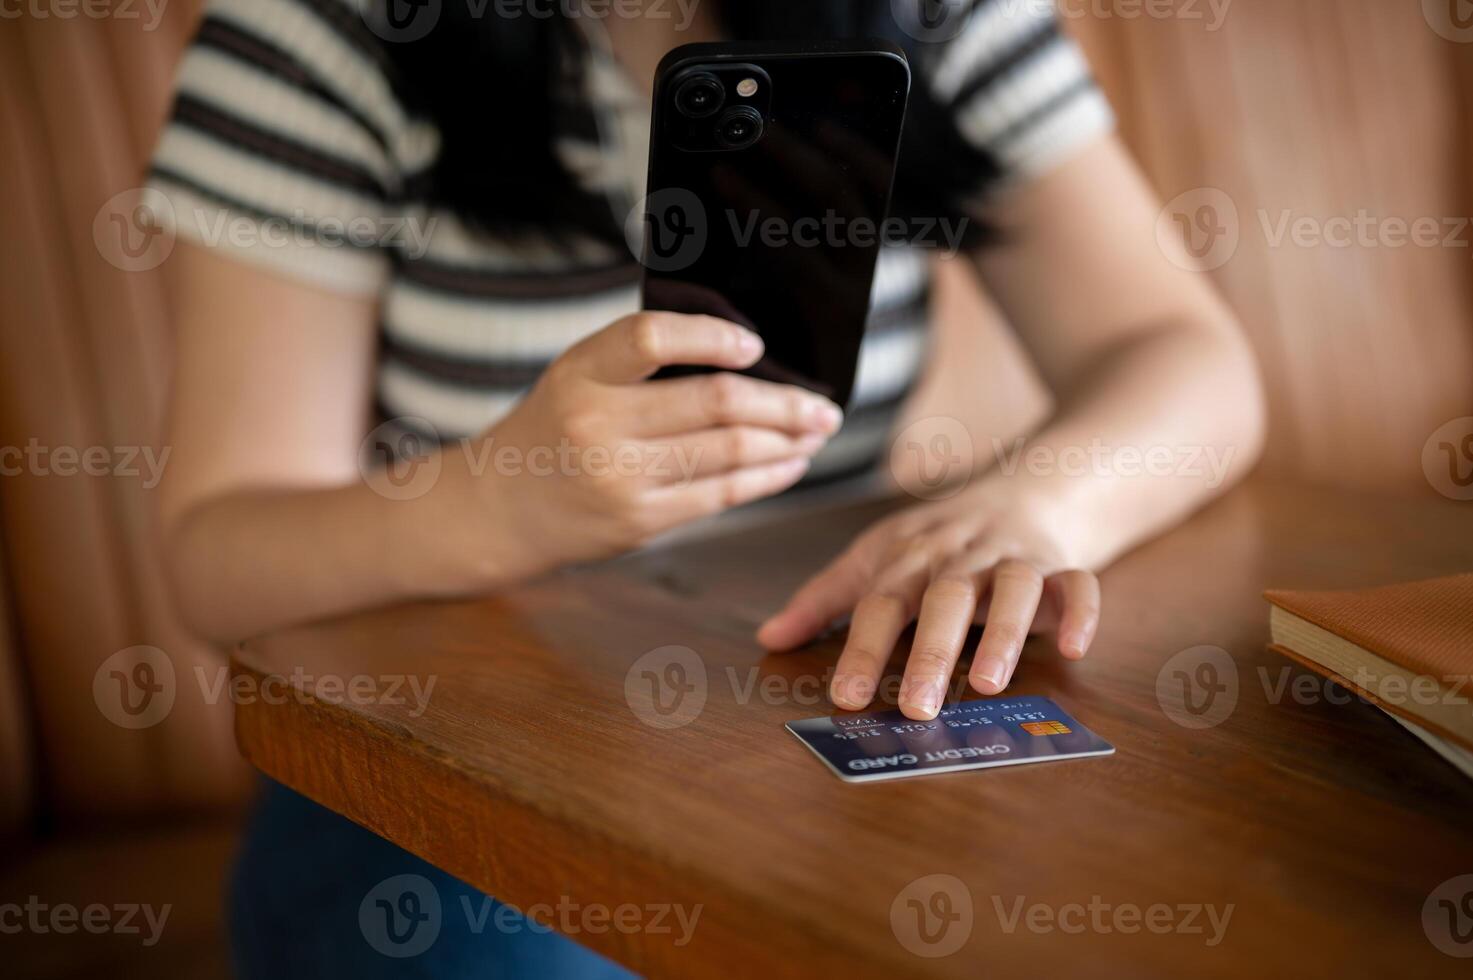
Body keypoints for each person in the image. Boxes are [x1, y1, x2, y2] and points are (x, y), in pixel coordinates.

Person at [147, 1, 1264, 975]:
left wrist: (1036, 507)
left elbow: (1183, 353)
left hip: (803, 699)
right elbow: (218, 555)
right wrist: (502, 499)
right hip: (442, 739)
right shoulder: (324, 30)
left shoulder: (933, 12)